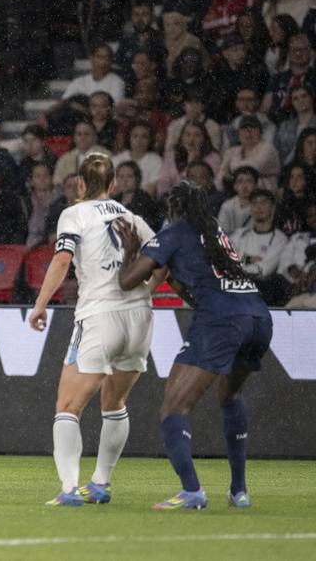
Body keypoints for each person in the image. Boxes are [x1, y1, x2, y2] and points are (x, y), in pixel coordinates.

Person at [116, 181, 272, 509]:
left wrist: (130, 251)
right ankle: (239, 491)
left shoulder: (173, 234)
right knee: (229, 395)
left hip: (222, 319)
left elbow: (128, 281)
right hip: (257, 315)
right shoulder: (216, 233)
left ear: (173, 208)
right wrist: (175, 278)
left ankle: (192, 491)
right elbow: (197, 286)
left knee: (174, 407)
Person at [29, 154, 158, 506]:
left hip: (100, 316)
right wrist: (145, 293)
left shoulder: (74, 213)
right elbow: (162, 263)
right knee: (114, 402)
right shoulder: (132, 218)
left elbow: (61, 259)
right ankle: (100, 482)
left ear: (80, 185)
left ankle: (70, 490)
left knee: (68, 406)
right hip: (139, 317)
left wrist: (40, 305)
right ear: (114, 185)